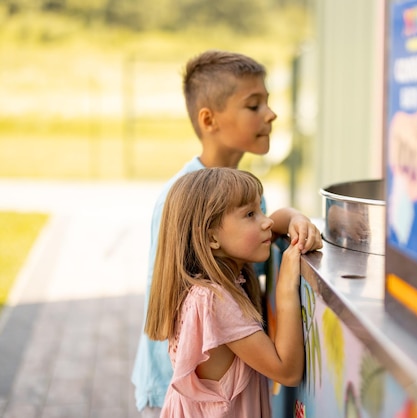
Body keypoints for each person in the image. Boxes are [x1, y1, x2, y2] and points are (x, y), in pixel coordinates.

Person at [131, 50, 323, 417]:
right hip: (188, 387)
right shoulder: (183, 199)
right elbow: (170, 295)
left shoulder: (236, 194)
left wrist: (292, 218)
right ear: (209, 119)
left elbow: (252, 239)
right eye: (254, 105)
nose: (270, 114)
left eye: (267, 102)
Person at [144, 167, 305, 417]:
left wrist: (298, 221)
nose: (267, 221)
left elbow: (278, 221)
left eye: (259, 210)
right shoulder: (213, 300)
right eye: (250, 214)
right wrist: (286, 287)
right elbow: (288, 371)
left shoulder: (210, 284)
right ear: (212, 238)